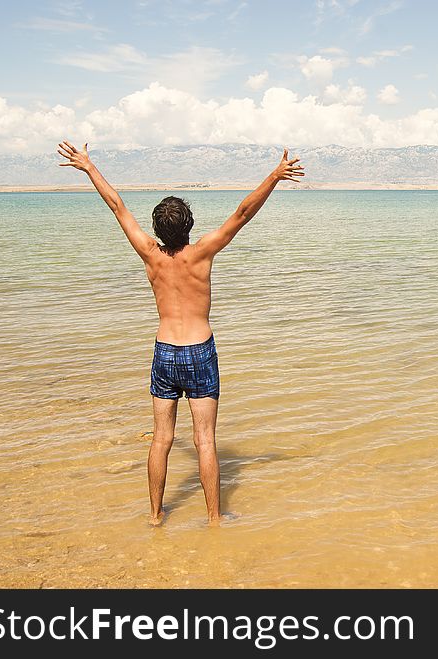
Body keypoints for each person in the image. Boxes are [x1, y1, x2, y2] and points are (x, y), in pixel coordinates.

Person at [57, 140, 305, 526]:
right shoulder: (202, 252)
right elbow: (242, 213)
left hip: (165, 352)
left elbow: (117, 206)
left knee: (161, 439)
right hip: (200, 351)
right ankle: (214, 519)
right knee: (205, 439)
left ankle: (156, 516)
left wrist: (89, 167)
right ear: (189, 226)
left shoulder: (149, 253)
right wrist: (273, 176)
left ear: (157, 228)